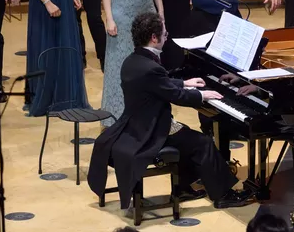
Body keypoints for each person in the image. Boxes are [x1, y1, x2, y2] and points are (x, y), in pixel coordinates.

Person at [88, 12, 251, 210]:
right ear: (154, 38)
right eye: (164, 33)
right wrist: (203, 95)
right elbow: (176, 96)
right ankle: (223, 195)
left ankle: (182, 187)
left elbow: (158, 84)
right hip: (151, 130)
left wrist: (184, 82)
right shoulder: (150, 67)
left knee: (187, 137)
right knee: (203, 143)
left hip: (135, 125)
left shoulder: (132, 60)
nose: (167, 35)